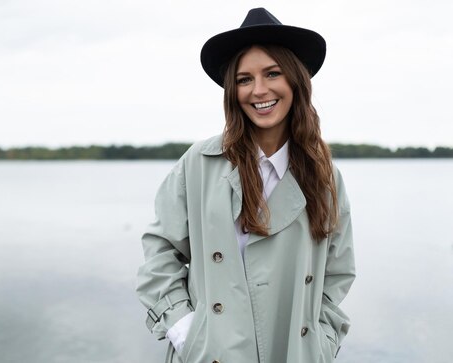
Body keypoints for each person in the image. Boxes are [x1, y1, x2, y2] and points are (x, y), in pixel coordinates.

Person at [136, 7, 355, 363]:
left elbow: (337, 273)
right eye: (244, 79)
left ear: (295, 81)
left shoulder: (323, 176)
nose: (259, 90)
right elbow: (160, 250)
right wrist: (185, 330)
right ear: (231, 90)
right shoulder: (199, 163)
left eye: (272, 73)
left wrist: (320, 343)